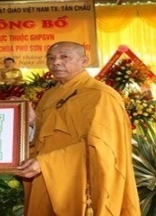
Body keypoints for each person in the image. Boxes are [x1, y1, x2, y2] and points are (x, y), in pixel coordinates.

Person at [15, 41, 140, 215]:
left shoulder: (101, 95)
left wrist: (46, 162)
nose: (55, 62)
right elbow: (44, 136)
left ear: (84, 61)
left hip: (81, 181)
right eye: (50, 58)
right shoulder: (50, 95)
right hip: (48, 177)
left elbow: (100, 148)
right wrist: (33, 122)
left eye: (64, 57)